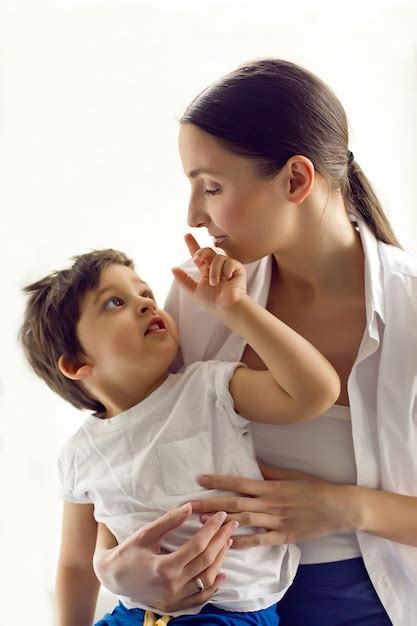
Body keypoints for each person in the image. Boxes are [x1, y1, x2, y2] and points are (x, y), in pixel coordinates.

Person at [92, 59, 417, 626]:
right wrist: (113, 568)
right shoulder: (200, 297)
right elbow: (132, 445)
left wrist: (346, 508)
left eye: (211, 187)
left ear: (296, 179)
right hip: (213, 609)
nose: (194, 215)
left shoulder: (410, 309)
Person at [19, 238, 340, 625]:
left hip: (225, 612)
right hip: (132, 614)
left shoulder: (207, 388)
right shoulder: (78, 455)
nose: (145, 303)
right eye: (113, 302)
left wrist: (237, 309)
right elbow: (75, 564)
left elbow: (314, 393)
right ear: (75, 363)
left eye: (144, 292)